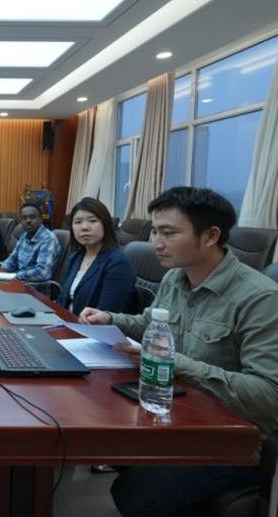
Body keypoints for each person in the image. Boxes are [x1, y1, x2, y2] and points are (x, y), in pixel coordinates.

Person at [79, 187, 278, 517]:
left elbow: (268, 396)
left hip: (235, 439)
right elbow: (151, 322)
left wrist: (174, 363)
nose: (156, 243)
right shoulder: (175, 277)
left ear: (210, 236)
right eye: (155, 231)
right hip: (179, 412)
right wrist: (112, 319)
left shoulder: (260, 299)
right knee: (94, 427)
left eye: (168, 233)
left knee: (137, 494)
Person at [56, 197, 135, 315]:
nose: (84, 227)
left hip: (89, 325)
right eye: (78, 222)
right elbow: (62, 300)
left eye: (92, 221)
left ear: (105, 224)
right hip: (66, 321)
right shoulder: (75, 257)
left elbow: (105, 315)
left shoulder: (117, 263)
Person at [1, 202, 61, 282]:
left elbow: (43, 273)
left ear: (41, 219)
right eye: (24, 218)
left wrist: (16, 276)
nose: (28, 220)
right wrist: (1, 271)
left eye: (32, 217)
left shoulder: (48, 239)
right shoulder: (24, 236)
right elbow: (12, 259)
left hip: (34, 287)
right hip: (19, 282)